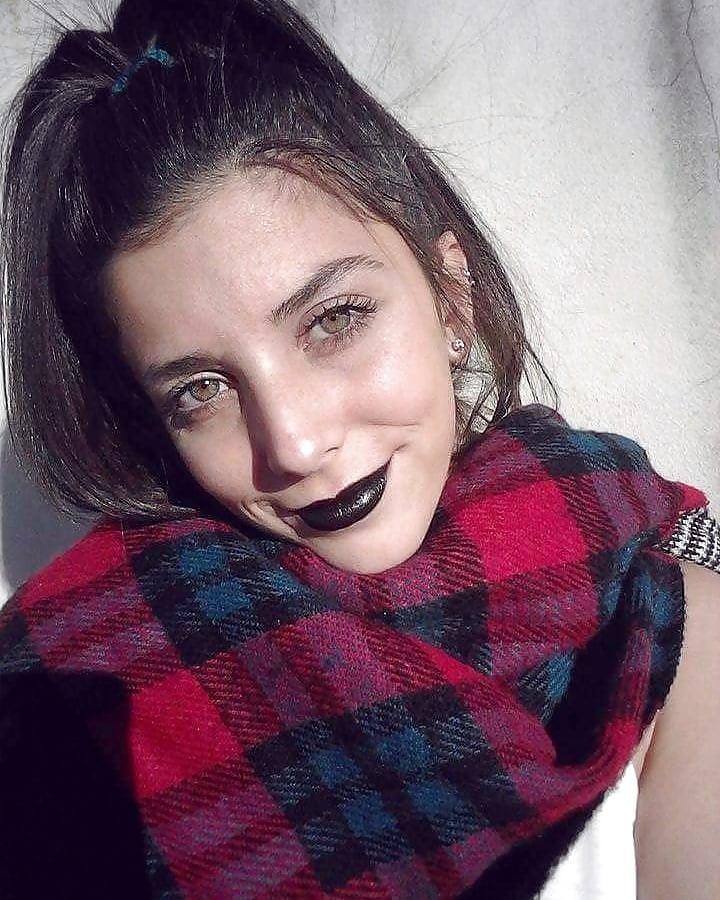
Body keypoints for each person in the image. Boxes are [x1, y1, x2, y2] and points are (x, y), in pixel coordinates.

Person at [0, 1, 718, 898]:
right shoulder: (79, 673)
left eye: (334, 319)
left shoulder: (664, 617)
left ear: (449, 298)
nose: (295, 444)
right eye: (202, 390)